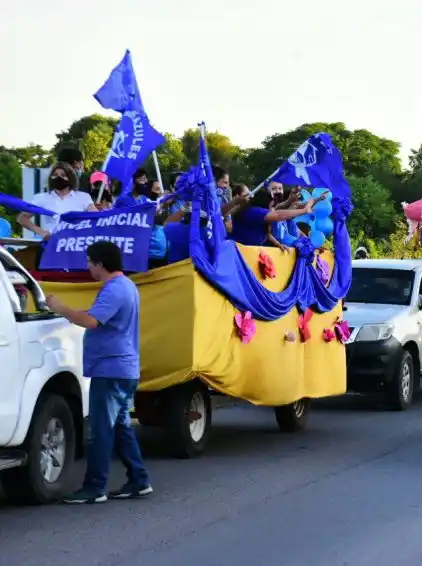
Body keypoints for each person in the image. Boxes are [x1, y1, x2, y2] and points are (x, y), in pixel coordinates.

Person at [45, 241, 152, 503]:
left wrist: (60, 308)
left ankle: (95, 487)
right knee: (120, 427)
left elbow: (92, 320)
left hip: (111, 368)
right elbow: (95, 315)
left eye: (90, 261)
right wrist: (71, 314)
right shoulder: (125, 286)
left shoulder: (115, 289)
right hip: (122, 368)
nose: (88, 266)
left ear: (101, 264)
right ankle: (139, 480)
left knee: (100, 430)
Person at [17, 161, 97, 239]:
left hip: (75, 244)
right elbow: (22, 218)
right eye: (55, 175)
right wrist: (42, 232)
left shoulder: (83, 197)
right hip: (52, 244)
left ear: (70, 178)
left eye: (63, 175)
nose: (59, 178)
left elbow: (96, 217)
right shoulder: (42, 198)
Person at [163, 194, 249, 264]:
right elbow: (217, 216)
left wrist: (183, 209)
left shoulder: (172, 229)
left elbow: (166, 223)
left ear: (186, 215)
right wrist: (235, 203)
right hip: (199, 274)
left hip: (175, 272)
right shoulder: (210, 234)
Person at [228, 190, 314, 247]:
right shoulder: (255, 211)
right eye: (272, 205)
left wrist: (277, 244)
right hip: (239, 251)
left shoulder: (256, 212)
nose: (272, 208)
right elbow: (278, 214)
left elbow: (266, 234)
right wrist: (304, 211)